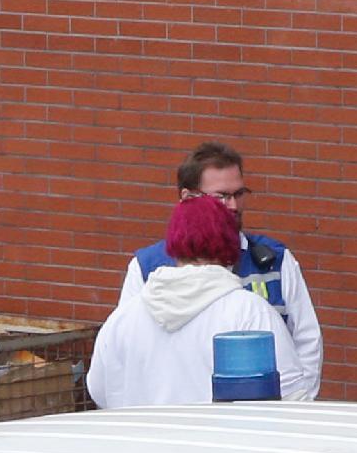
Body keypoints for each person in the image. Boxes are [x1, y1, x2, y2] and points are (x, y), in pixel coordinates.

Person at [121, 141, 320, 401]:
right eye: (221, 196)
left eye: (239, 194)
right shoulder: (146, 267)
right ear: (187, 199)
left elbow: (307, 340)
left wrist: (298, 407)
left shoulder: (274, 260)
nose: (234, 206)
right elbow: (127, 353)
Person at [85, 197, 296, 410]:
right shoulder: (249, 311)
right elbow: (291, 391)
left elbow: (99, 390)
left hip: (138, 440)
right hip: (221, 441)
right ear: (230, 243)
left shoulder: (124, 318)